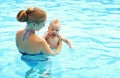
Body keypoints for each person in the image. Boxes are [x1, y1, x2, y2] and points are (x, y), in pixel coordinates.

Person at [16, 7, 62, 78]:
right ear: (34, 24)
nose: (44, 26)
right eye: (43, 24)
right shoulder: (40, 41)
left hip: (26, 60)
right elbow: (53, 54)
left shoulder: (18, 33)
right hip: (40, 62)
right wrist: (60, 45)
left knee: (32, 69)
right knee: (45, 70)